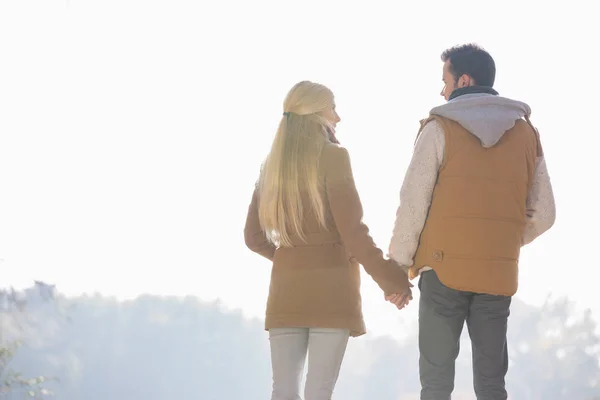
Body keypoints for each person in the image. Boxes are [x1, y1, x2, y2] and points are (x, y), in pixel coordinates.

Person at [386, 44, 556, 399]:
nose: (442, 90)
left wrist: (398, 265)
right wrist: (499, 239)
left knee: (436, 383)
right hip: (497, 272)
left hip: (442, 269)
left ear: (463, 79)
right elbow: (544, 213)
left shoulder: (439, 128)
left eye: (444, 80)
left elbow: (413, 202)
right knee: (492, 383)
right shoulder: (526, 134)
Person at [244, 80, 412, 400]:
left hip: (286, 290)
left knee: (283, 390)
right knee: (319, 391)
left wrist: (290, 257)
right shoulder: (334, 156)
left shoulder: (271, 167)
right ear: (317, 113)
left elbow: (253, 238)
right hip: (332, 289)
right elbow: (353, 231)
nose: (338, 117)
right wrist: (392, 279)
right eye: (333, 107)